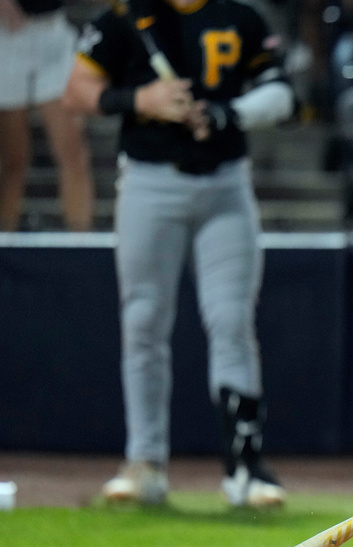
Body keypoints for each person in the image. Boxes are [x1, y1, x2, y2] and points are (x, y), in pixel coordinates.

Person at [62, 0, 296, 507]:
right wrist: (138, 99)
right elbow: (76, 90)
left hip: (225, 184)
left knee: (231, 318)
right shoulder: (122, 17)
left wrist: (226, 112)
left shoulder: (241, 16)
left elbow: (281, 94)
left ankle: (244, 466)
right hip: (150, 180)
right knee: (143, 320)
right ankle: (144, 462)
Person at [0, 0, 93, 231]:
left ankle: (80, 249)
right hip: (7, 35)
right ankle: (4, 245)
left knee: (74, 153)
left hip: (53, 32)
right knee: (13, 160)